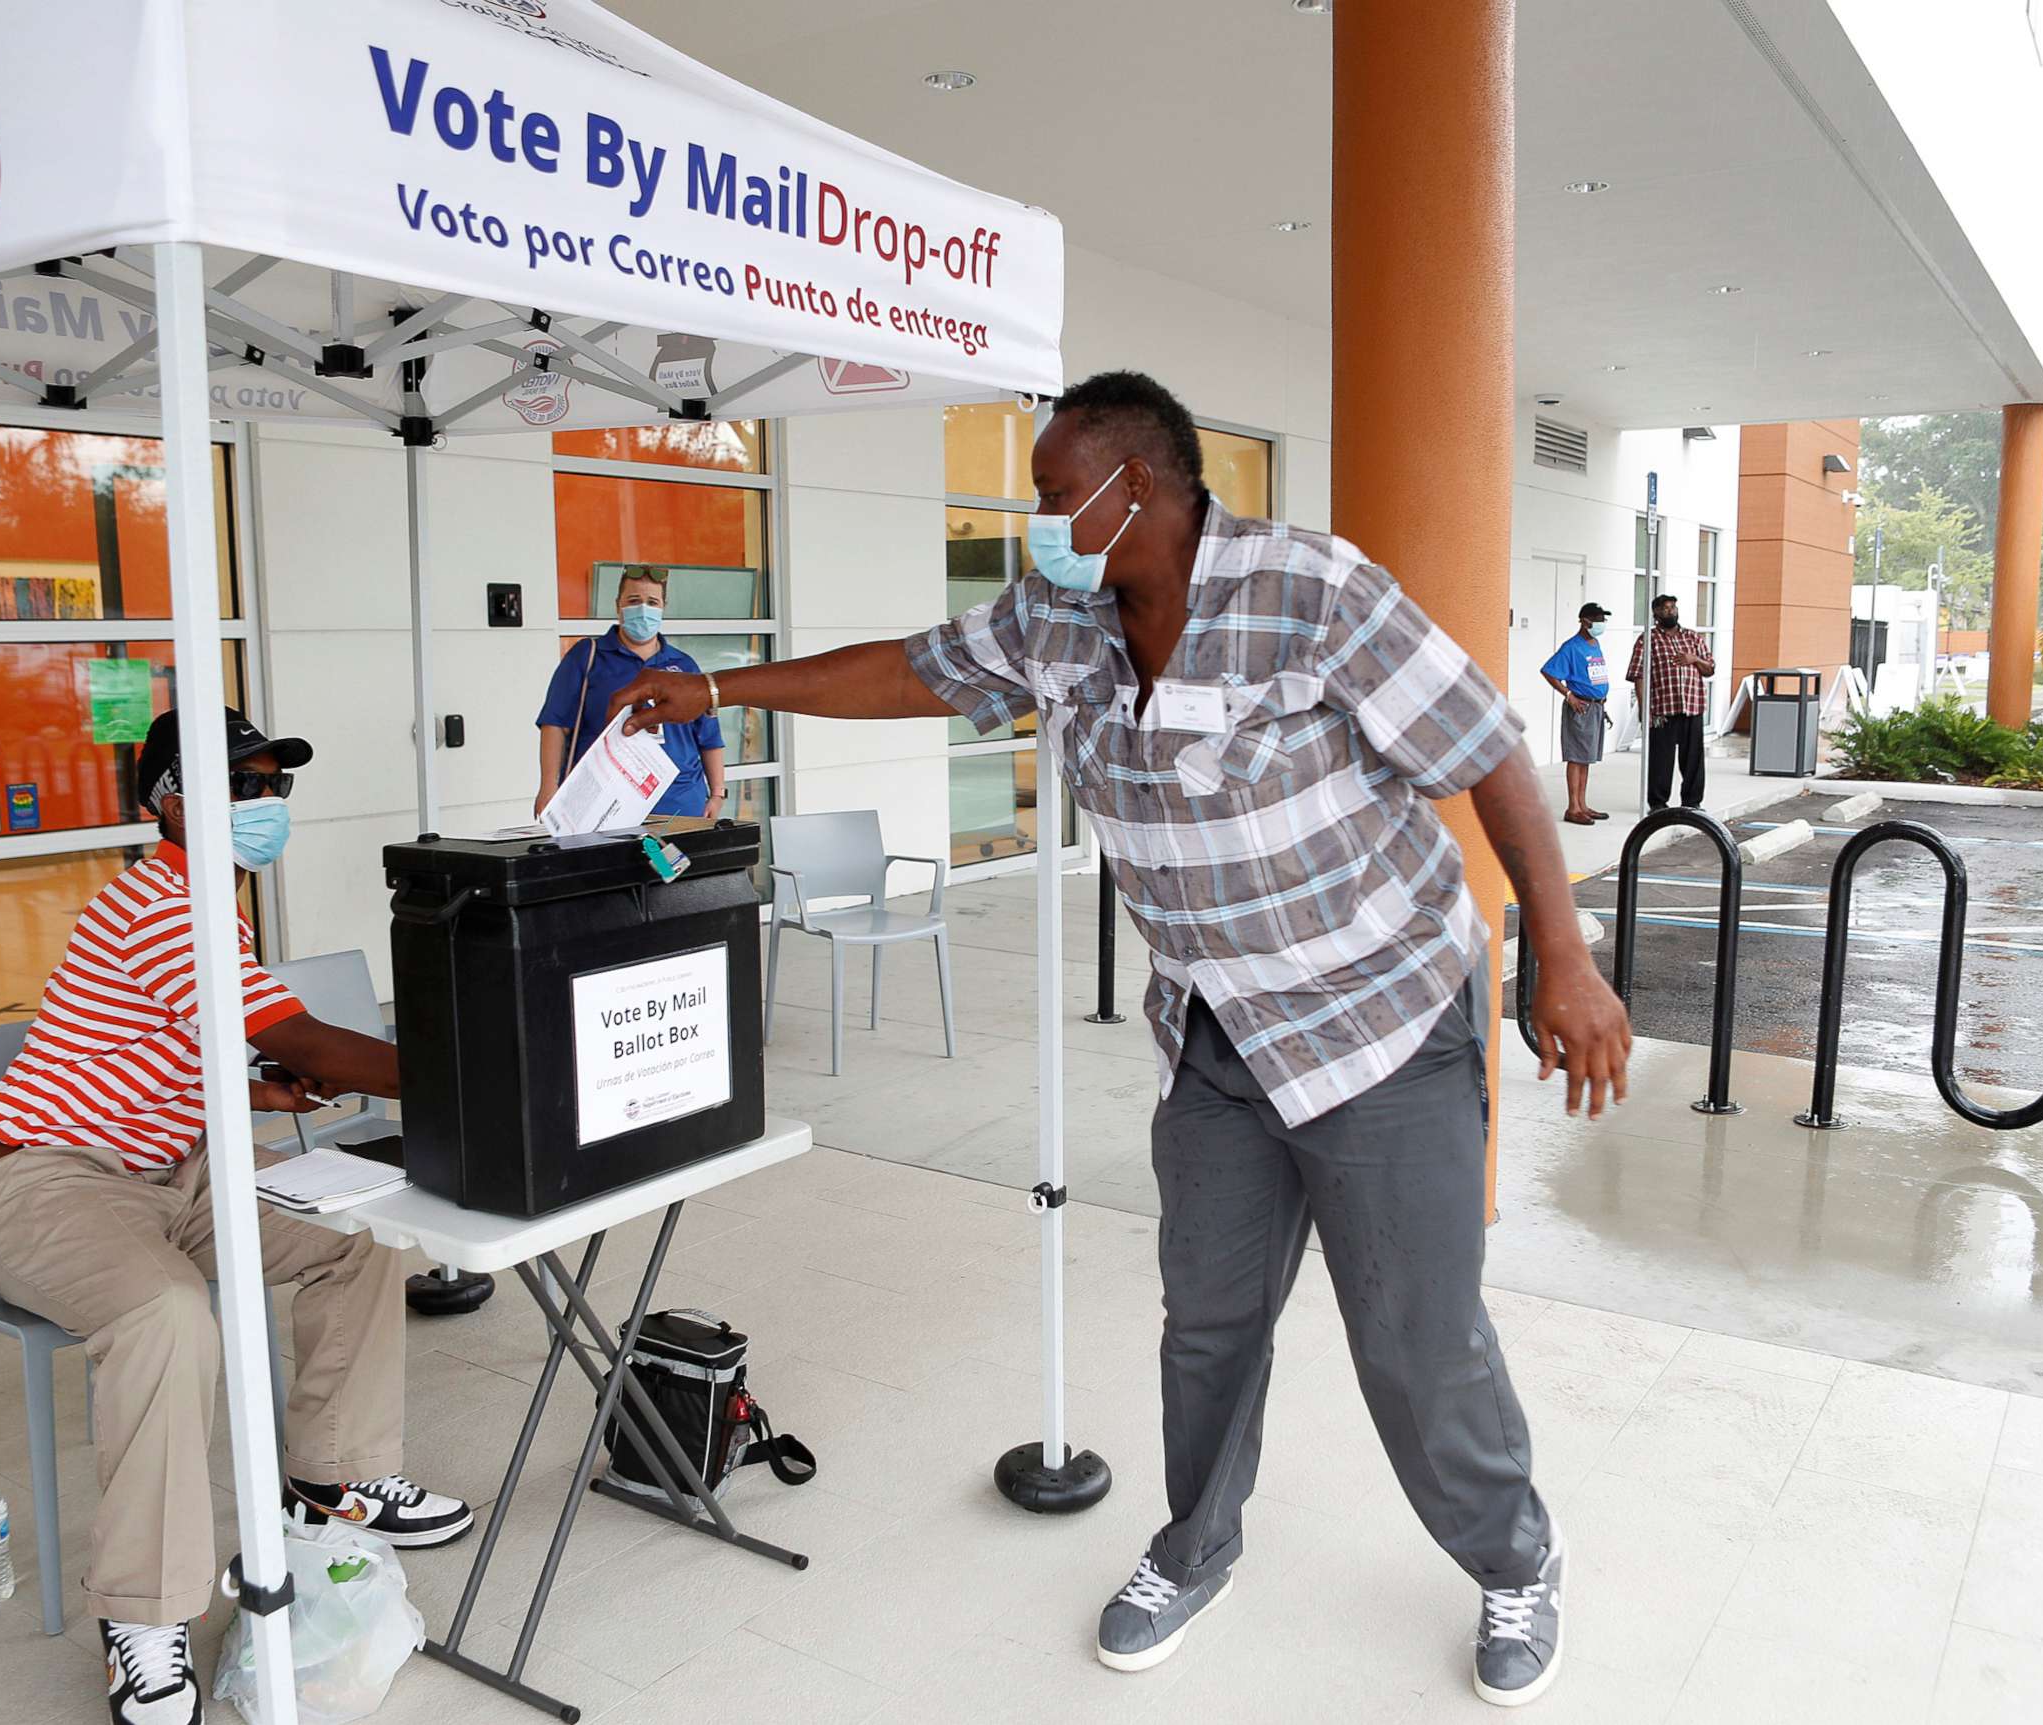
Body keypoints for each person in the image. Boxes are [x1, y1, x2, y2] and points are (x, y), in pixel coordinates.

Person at [613, 371, 1632, 1708]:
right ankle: (1194, 1542)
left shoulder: (1311, 592)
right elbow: (914, 671)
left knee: (1414, 1337)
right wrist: (721, 688)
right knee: (1206, 1324)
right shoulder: (1061, 617)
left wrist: (1564, 955)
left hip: (1377, 1022)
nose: (1034, 520)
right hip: (1213, 1035)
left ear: (1134, 485)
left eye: (1048, 495)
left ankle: (1516, 1553)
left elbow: (1489, 748)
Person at [0, 708, 471, 1725]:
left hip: (170, 1172)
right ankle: (144, 1615)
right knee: (169, 1318)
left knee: (360, 1235)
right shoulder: (163, 902)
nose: (267, 804)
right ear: (172, 801)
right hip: (39, 1181)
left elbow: (197, 1044)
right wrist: (468, 1080)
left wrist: (256, 1088)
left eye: (275, 784)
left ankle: (335, 1481)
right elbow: (303, 1037)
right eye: (245, 785)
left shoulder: (211, 908)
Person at [535, 565, 726, 820]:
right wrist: (548, 787)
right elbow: (555, 724)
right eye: (634, 601)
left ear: (663, 607)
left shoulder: (684, 665)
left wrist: (716, 794)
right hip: (604, 804)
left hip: (680, 805)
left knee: (679, 862)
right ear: (618, 606)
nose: (643, 609)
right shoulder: (588, 656)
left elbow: (709, 736)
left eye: (652, 602)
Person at [1629, 591, 1715, 810]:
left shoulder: (1693, 638)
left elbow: (1710, 669)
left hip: (1692, 707)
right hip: (1662, 710)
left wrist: (1693, 659)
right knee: (1660, 760)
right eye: (1666, 608)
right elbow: (1639, 675)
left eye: (1673, 608)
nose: (1671, 611)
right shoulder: (1648, 639)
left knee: (1693, 760)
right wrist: (1644, 708)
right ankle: (1658, 804)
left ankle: (1692, 803)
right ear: (1656, 613)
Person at [1538, 602, 1615, 825]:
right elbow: (1548, 671)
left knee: (1586, 758)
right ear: (1585, 621)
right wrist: (1568, 694)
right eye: (1597, 619)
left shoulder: (1595, 643)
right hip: (1581, 707)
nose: (1601, 623)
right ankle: (1573, 807)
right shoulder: (1571, 647)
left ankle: (1582, 804)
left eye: (1603, 619)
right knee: (1576, 757)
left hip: (1596, 706)